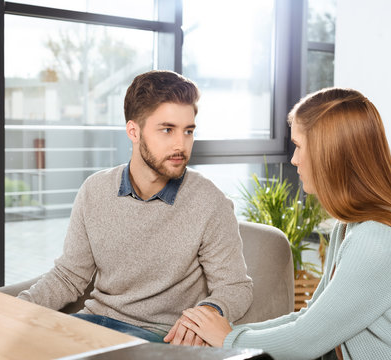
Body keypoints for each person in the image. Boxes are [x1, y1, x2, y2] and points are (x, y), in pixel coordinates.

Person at [178, 87, 391, 359]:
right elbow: (309, 318)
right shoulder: (350, 225)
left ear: (331, 153)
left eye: (300, 146)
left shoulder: (379, 238)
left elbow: (307, 340)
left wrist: (228, 339)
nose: (294, 159)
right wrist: (224, 335)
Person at [18, 70, 253, 345]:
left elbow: (235, 287)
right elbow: (69, 276)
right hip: (90, 324)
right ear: (133, 131)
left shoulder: (209, 201)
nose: (181, 144)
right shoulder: (95, 190)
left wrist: (207, 313)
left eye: (188, 131)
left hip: (155, 338)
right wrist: (16, 309)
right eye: (167, 130)